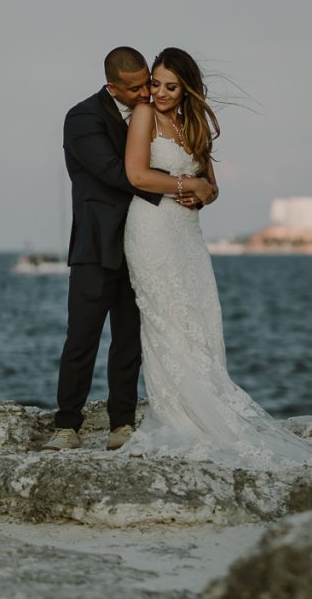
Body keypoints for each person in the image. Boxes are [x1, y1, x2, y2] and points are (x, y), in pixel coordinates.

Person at [120, 47, 312, 469]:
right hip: (152, 229)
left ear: (187, 89)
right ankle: (178, 415)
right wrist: (186, 183)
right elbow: (136, 175)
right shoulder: (144, 116)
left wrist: (204, 193)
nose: (159, 93)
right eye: (156, 84)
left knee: (199, 316)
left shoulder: (192, 124)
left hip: (187, 234)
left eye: (170, 86)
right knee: (166, 318)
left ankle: (210, 403)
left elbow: (211, 186)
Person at [42, 46, 206, 452]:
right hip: (97, 244)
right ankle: (67, 425)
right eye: (135, 89)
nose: (144, 94)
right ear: (112, 85)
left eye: (147, 85)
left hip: (143, 241)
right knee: (82, 337)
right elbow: (119, 174)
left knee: (129, 338)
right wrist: (184, 182)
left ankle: (122, 423)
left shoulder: (152, 113)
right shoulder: (82, 118)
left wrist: (198, 186)